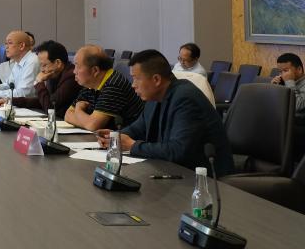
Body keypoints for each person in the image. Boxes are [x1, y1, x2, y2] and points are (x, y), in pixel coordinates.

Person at [97, 49, 235, 176]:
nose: (133, 85)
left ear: (156, 80)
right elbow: (139, 128)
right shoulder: (155, 96)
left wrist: (133, 146)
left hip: (205, 179)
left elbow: (178, 150)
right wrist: (114, 137)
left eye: (136, 78)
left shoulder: (185, 98)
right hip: (175, 171)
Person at [65, 45, 143, 131]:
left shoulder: (114, 85)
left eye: (78, 66)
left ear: (95, 70)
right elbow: (68, 115)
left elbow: (92, 125)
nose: (74, 71)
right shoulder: (90, 84)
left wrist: (78, 110)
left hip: (127, 137)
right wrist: (86, 122)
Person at [7, 40, 80, 118]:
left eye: (44, 65)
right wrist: (12, 101)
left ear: (58, 63)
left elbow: (50, 108)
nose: (42, 70)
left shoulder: (71, 77)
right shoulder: (53, 74)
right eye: (40, 65)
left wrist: (39, 83)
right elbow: (43, 101)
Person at [0, 30, 39, 99]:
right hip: (19, 102)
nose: (6, 47)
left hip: (30, 104)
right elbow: (8, 85)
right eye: (6, 43)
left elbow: (24, 93)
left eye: (10, 43)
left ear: (21, 46)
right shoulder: (18, 61)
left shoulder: (32, 61)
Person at [272, 52, 305, 161]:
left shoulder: (292, 83)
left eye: (285, 71)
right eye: (280, 72)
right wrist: (274, 88)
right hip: (286, 121)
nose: (282, 75)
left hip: (299, 125)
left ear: (299, 69)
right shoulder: (284, 83)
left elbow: (297, 106)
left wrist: (289, 82)